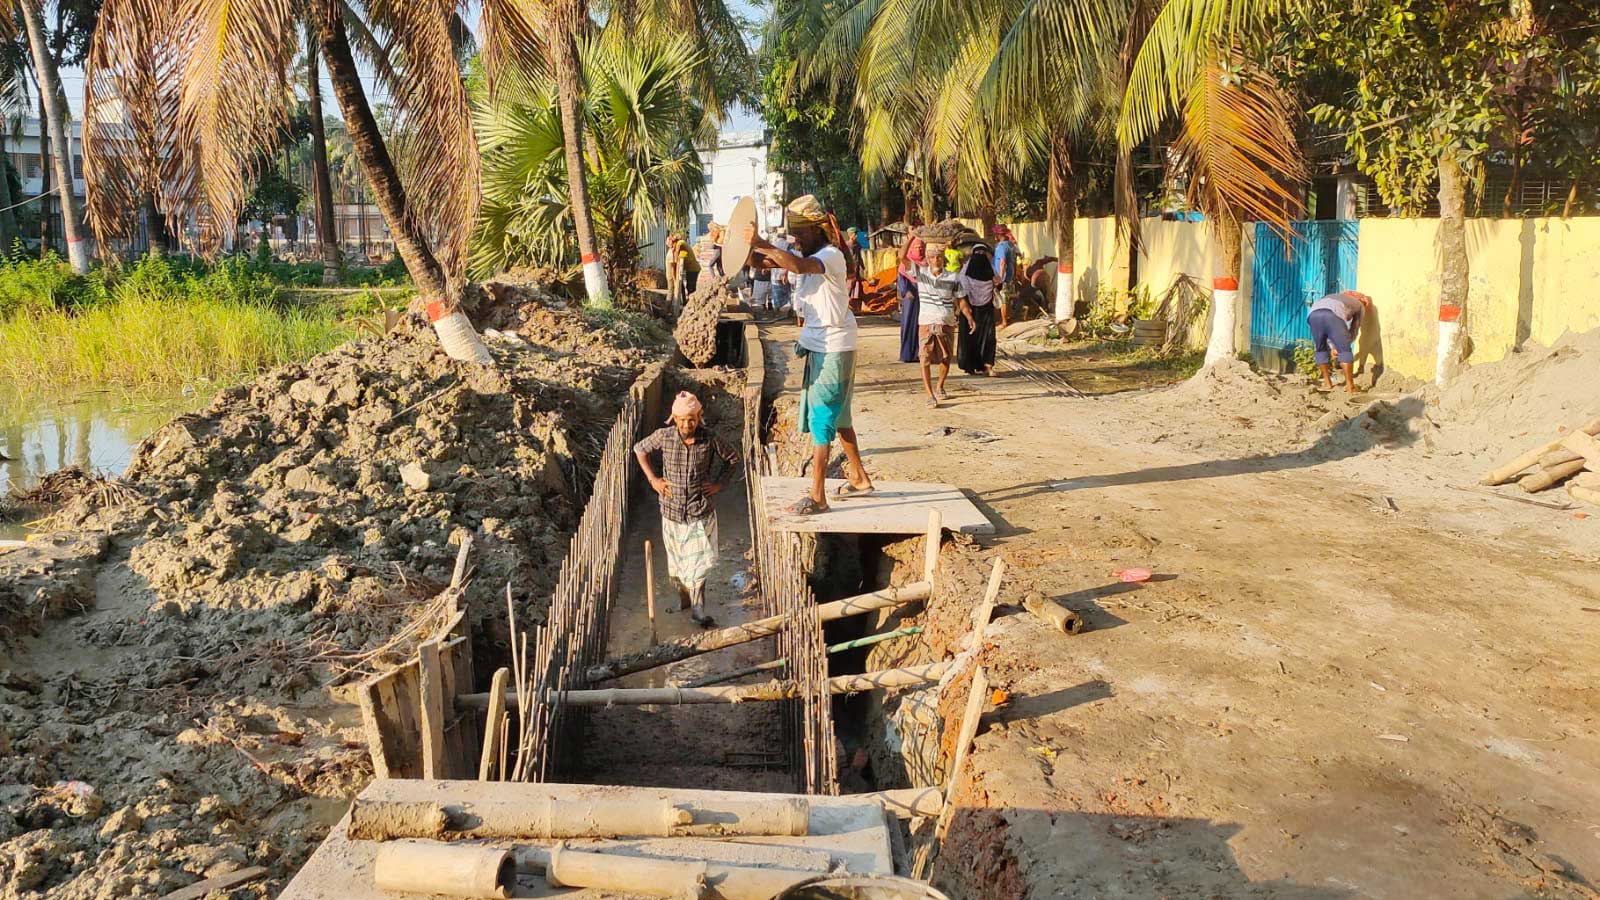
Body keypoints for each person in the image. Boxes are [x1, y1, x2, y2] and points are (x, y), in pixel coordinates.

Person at [746, 195, 875, 516]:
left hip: (833, 346)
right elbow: (757, 264)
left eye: (800, 234)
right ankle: (859, 478)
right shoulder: (808, 253)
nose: (795, 240)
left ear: (818, 231)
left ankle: (818, 496)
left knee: (822, 419)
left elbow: (798, 266)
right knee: (839, 416)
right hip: (824, 344)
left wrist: (762, 240)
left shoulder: (829, 256)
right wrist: (744, 244)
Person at [633, 391, 740, 627]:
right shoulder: (665, 436)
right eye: (681, 419)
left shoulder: (709, 439)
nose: (686, 424)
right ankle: (683, 600)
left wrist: (718, 484)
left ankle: (698, 609)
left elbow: (733, 458)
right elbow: (639, 450)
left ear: (699, 417)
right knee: (677, 560)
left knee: (699, 562)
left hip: (699, 510)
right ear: (674, 418)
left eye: (691, 419)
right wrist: (654, 480)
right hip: (671, 511)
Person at [912, 221, 972, 408]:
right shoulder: (921, 275)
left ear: (943, 259)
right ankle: (930, 395)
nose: (936, 260)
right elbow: (902, 258)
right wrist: (913, 237)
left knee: (946, 357)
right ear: (928, 259)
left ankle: (940, 386)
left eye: (939, 257)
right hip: (926, 322)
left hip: (947, 321)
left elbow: (961, 300)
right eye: (932, 257)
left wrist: (969, 316)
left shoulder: (953, 277)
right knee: (925, 359)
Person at [1307, 290, 1372, 394]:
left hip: (1313, 315)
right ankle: (1350, 387)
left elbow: (1326, 328)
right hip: (1333, 315)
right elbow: (1354, 328)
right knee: (1345, 350)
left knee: (1320, 349)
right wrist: (1341, 345)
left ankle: (1327, 383)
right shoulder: (1360, 305)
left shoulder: (1333, 296)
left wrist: (1333, 346)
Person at [957, 243, 999, 376]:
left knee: (989, 337)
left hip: (985, 310)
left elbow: (999, 283)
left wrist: (997, 283)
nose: (980, 256)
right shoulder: (965, 271)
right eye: (978, 253)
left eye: (983, 253)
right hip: (969, 309)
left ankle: (988, 365)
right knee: (970, 337)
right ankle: (970, 366)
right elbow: (962, 291)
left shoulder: (991, 270)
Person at [896, 234, 923, 363]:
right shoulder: (907, 264)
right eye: (917, 247)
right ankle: (907, 354)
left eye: (921, 247)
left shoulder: (926, 263)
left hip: (924, 298)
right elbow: (901, 279)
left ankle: (921, 353)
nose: (920, 250)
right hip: (911, 297)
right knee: (909, 324)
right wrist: (906, 292)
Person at [992, 226, 1017, 326]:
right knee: (1007, 298)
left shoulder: (1001, 246)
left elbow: (1002, 263)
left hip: (1003, 277)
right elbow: (1014, 260)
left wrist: (1000, 279)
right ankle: (1007, 318)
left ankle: (1004, 322)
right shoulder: (1010, 245)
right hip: (1010, 275)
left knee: (1003, 300)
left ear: (998, 235)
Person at [768, 233, 793, 312]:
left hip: (775, 273)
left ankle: (777, 310)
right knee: (786, 292)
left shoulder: (773, 244)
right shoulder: (788, 245)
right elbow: (790, 259)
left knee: (776, 293)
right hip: (785, 272)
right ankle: (788, 310)